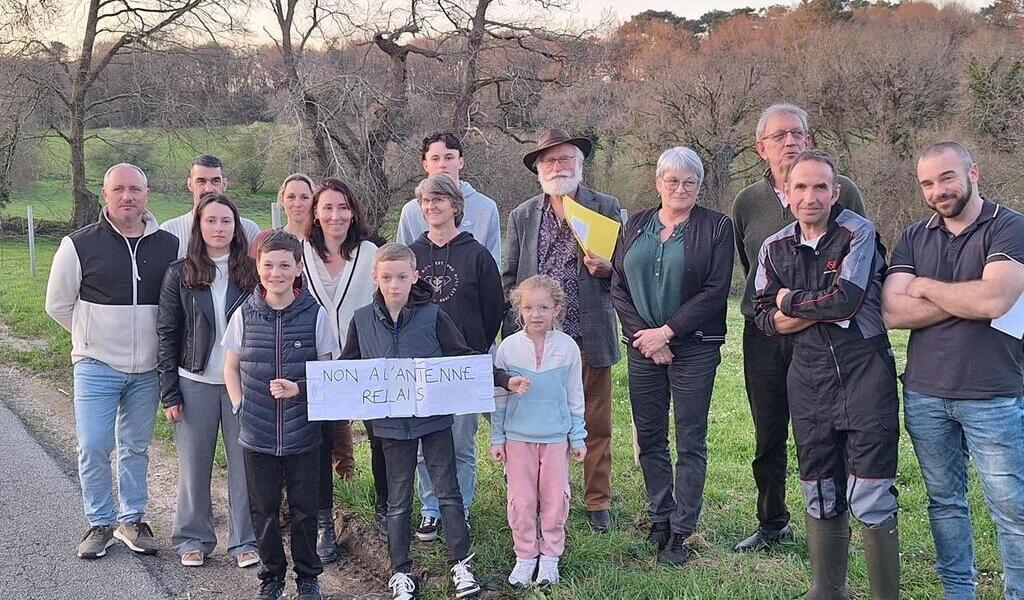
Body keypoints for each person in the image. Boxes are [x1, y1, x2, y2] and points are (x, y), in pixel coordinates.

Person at [339, 243, 523, 600]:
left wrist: (500, 378)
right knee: (399, 499)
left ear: (415, 277)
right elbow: (346, 369)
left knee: (448, 492)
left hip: (435, 421)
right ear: (375, 277)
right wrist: (301, 388)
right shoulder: (362, 320)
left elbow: (463, 356)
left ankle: (461, 564)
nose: (395, 285)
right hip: (390, 426)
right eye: (387, 277)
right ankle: (400, 571)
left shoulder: (433, 316)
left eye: (402, 277)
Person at [754, 149, 900, 599]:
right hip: (808, 379)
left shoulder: (858, 233)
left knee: (871, 493)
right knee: (819, 486)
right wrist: (788, 306)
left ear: (835, 192)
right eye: (801, 187)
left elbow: (847, 301)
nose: (811, 196)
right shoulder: (773, 246)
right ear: (788, 194)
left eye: (821, 187)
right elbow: (759, 314)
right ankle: (827, 590)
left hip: (865, 373)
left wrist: (786, 300)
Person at [882, 141, 1024, 600]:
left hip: (994, 394)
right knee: (944, 503)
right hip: (925, 393)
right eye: (927, 183)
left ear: (973, 173)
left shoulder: (1010, 227)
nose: (938, 190)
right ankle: (957, 593)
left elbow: (995, 301)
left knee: (1012, 509)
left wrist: (925, 286)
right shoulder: (913, 236)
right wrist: (969, 297)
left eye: (946, 178)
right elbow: (892, 311)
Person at [731, 103, 867, 553]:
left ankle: (835, 524)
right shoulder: (747, 201)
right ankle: (771, 522)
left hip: (827, 332)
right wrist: (775, 310)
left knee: (830, 426)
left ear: (809, 139)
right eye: (780, 136)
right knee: (768, 430)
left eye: (798, 134)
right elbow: (753, 266)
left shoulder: (841, 188)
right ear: (761, 147)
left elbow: (858, 257)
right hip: (765, 333)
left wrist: (801, 306)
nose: (790, 142)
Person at [45, 163, 178, 559]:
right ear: (105, 194)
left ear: (146, 194)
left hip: (147, 370)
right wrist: (91, 337)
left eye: (135, 189)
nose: (127, 197)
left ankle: (132, 519)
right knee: (93, 444)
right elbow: (57, 304)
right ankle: (99, 522)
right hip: (96, 366)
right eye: (118, 189)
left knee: (135, 446)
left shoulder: (168, 245)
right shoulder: (79, 244)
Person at [610, 147, 734, 566]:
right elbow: (617, 285)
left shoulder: (717, 226)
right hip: (643, 348)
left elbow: (716, 290)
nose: (680, 189)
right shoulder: (636, 224)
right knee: (649, 438)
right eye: (672, 181)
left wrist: (667, 331)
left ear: (699, 186)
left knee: (689, 438)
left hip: (694, 347)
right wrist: (645, 338)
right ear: (657, 183)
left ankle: (682, 530)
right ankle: (660, 515)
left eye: (690, 182)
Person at [501, 127, 621, 532]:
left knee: (594, 419)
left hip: (588, 333)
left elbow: (625, 273)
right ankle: (535, 494)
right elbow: (509, 277)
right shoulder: (522, 215)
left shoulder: (606, 207)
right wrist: (515, 330)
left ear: (579, 165)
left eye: (566, 159)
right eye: (549, 160)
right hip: (537, 340)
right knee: (533, 420)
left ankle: (597, 499)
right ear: (538, 169)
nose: (558, 166)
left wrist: (607, 270)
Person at [222, 231, 337, 600]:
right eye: (268, 265)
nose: (276, 273)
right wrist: (239, 404)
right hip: (256, 432)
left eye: (285, 265)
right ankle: (272, 576)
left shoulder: (317, 316)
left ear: (298, 268)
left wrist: (299, 388)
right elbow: (230, 366)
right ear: (258, 268)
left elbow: (327, 373)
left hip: (304, 434)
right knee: (264, 511)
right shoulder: (243, 313)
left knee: (304, 511)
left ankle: (308, 577)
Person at [157, 193, 260, 569]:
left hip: (242, 383)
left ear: (236, 227)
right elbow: (167, 335)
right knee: (193, 465)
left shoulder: (251, 271)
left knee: (244, 465)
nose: (219, 228)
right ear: (199, 226)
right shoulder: (179, 273)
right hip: (192, 380)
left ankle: (244, 542)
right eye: (211, 221)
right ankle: (192, 538)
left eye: (226, 221)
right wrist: (169, 391)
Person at [408, 174, 504, 541]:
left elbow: (493, 307)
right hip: (423, 364)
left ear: (455, 205)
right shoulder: (414, 254)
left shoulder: (476, 254)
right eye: (426, 202)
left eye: (439, 200)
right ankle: (431, 508)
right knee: (424, 443)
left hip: (466, 363)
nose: (432, 207)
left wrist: (476, 352)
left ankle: (459, 508)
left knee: (461, 441)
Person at [300, 177, 378, 562]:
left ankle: (381, 512)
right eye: (327, 207)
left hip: (362, 360)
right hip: (315, 363)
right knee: (320, 445)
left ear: (353, 211)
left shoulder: (369, 253)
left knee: (379, 437)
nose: (336, 215)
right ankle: (325, 524)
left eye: (343, 207)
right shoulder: (300, 254)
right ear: (315, 213)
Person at [490, 274, 585, 588]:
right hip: (518, 438)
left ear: (556, 308)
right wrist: (498, 437)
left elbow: (574, 395)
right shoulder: (508, 349)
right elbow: (499, 398)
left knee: (555, 497)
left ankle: (550, 557)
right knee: (522, 499)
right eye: (529, 308)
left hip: (556, 438)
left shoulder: (568, 348)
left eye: (544, 307)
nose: (536, 314)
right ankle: (525, 556)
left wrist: (577, 435)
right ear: (519, 310)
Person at [395, 132, 502, 264]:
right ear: (425, 165)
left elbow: (493, 264)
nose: (442, 165)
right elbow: (402, 262)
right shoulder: (411, 211)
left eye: (449, 157)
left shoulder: (486, 207)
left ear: (460, 162)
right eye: (435, 158)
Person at [161, 154, 261, 258]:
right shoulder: (169, 231)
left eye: (215, 181)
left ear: (224, 184)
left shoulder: (249, 230)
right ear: (190, 184)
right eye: (201, 181)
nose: (208, 188)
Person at [250, 173, 316, 257]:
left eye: (304, 197)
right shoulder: (264, 239)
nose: (297, 204)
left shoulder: (325, 239)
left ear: (313, 200)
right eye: (291, 197)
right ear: (282, 200)